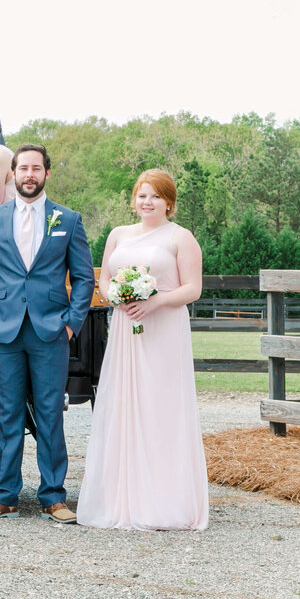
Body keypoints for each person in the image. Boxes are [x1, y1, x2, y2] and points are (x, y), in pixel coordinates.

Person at [0, 145, 94, 523]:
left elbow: (84, 278)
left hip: (50, 329)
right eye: (23, 168)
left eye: (36, 169)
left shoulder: (67, 220)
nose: (29, 174)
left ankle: (53, 497)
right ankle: (4, 496)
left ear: (46, 174)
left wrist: (71, 322)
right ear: (13, 173)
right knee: (7, 415)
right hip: (2, 329)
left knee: (50, 414)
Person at [78, 170, 208, 530]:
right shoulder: (119, 235)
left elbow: (193, 288)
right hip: (125, 325)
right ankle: (123, 497)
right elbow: (104, 276)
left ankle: (164, 501)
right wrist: (115, 295)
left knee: (159, 407)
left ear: (169, 202)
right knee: (124, 405)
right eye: (141, 195)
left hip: (163, 329)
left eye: (155, 196)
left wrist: (155, 302)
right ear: (133, 199)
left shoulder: (181, 238)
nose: (147, 202)